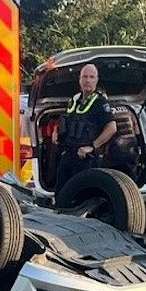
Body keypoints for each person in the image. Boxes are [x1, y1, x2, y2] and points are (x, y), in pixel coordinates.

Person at [52, 63, 118, 194]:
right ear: (80, 79)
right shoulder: (74, 100)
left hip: (86, 158)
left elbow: (112, 128)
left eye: (92, 77)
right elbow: (65, 121)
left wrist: (92, 147)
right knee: (61, 195)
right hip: (68, 155)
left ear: (96, 80)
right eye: (85, 76)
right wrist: (56, 133)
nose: (88, 80)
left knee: (82, 197)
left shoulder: (100, 103)